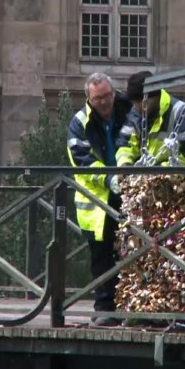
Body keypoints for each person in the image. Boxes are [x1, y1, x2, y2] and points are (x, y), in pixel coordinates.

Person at [68, 72, 132, 327]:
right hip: (97, 201)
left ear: (113, 93)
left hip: (129, 192)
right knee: (102, 256)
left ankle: (131, 305)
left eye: (106, 96)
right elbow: (81, 158)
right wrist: (109, 179)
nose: (104, 102)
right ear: (89, 99)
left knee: (133, 250)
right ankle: (105, 308)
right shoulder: (79, 122)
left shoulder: (130, 110)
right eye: (98, 99)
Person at [117, 71, 185, 166]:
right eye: (134, 102)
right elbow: (126, 145)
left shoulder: (183, 114)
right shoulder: (136, 114)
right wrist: (125, 165)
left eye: (140, 101)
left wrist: (159, 171)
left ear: (154, 96)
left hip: (175, 178)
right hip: (148, 175)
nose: (137, 106)